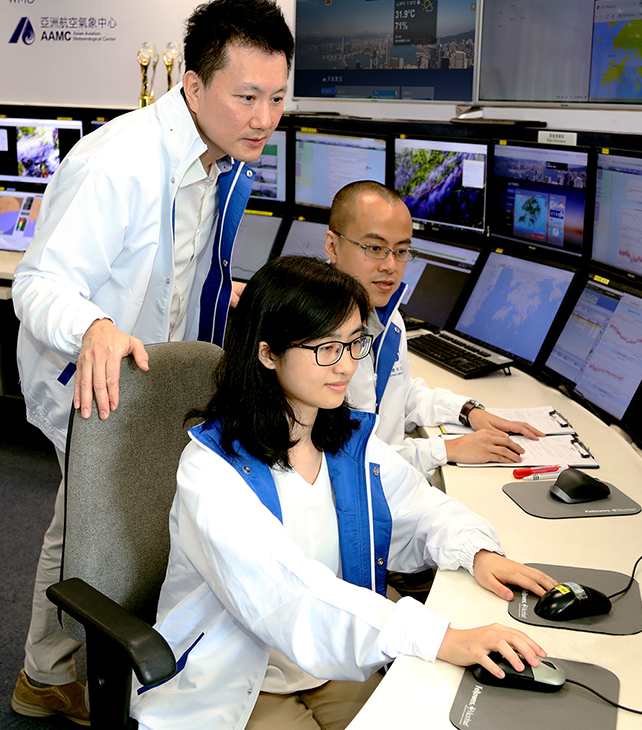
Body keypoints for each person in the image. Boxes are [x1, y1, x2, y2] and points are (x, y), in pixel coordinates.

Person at [8, 0, 293, 724]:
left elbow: (177, 257)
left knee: (126, 519)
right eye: (247, 97)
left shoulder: (214, 153)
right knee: (87, 524)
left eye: (277, 98)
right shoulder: (119, 162)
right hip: (92, 374)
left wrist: (217, 294)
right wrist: (94, 324)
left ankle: (101, 659)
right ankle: (48, 673)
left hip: (153, 376)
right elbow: (36, 283)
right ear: (193, 86)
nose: (264, 118)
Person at [133, 256, 557, 729]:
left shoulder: (347, 440)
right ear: (267, 353)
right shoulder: (210, 471)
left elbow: (421, 508)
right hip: (239, 678)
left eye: (354, 344)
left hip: (329, 664)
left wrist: (478, 552)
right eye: (326, 349)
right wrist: (440, 637)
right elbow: (289, 596)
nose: (347, 366)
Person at [325, 180, 544, 480]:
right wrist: (445, 449)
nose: (391, 265)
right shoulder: (317, 338)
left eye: (401, 251)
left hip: (393, 486)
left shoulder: (387, 317)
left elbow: (397, 392)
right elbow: (348, 461)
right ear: (332, 246)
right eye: (375, 248)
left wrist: (469, 412)